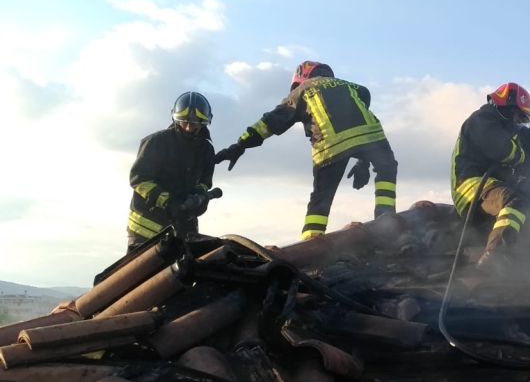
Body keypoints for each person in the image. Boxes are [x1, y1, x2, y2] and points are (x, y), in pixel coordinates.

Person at [214, 61, 398, 240]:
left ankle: (312, 241)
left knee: (321, 199)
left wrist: (239, 145)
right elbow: (365, 96)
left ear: (300, 79)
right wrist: (363, 161)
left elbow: (270, 121)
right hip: (373, 139)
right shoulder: (350, 86)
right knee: (387, 168)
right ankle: (386, 222)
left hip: (331, 146)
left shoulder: (303, 90)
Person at [450, 82, 530, 268]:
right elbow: (499, 148)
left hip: (488, 187)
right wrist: (523, 160)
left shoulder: (506, 132)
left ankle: (507, 249)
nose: (518, 122)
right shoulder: (482, 119)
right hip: (469, 185)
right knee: (515, 200)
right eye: (519, 116)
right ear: (507, 107)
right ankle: (494, 258)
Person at [127, 92, 216, 252]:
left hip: (183, 227)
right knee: (141, 274)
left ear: (205, 122)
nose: (189, 127)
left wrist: (199, 197)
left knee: (182, 273)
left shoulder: (207, 150)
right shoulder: (155, 143)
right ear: (175, 119)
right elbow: (138, 179)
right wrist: (168, 202)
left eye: (195, 123)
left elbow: (204, 183)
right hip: (146, 228)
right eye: (184, 122)